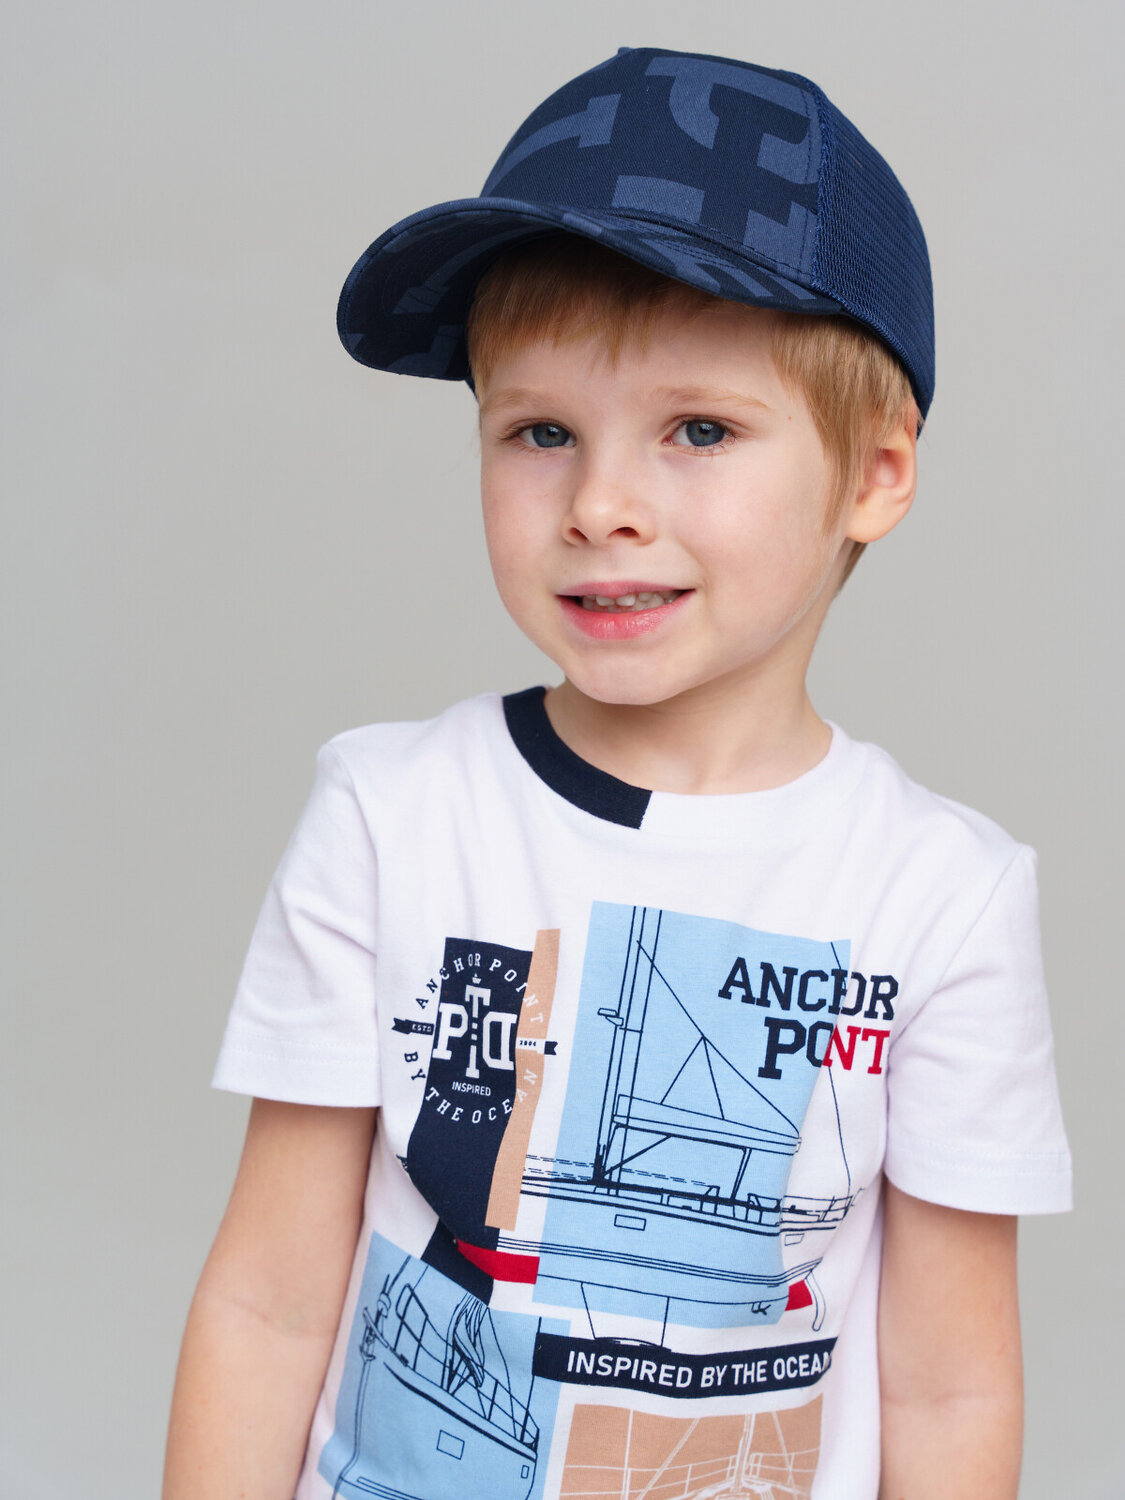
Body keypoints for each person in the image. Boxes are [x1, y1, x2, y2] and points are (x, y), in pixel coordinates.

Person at [163, 46, 1071, 1500]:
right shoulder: (391, 815)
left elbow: (950, 1384)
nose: (598, 504)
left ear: (873, 475)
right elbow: (267, 1301)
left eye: (698, 430)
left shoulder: (940, 895)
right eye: (541, 431)